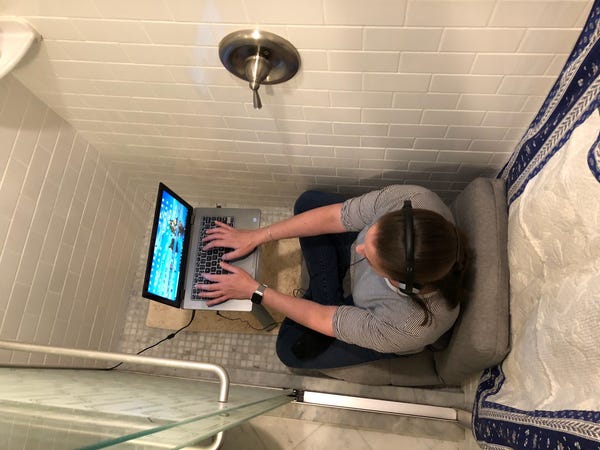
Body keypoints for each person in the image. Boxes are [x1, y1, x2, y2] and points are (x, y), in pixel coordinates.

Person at [196, 185, 469, 370]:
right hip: (354, 293)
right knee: (308, 203)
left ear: (400, 283)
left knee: (289, 352)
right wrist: (257, 236)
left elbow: (323, 318)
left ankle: (329, 300)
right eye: (371, 234)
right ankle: (328, 297)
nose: (359, 249)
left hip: (373, 320)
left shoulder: (408, 325)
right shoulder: (414, 198)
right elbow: (335, 217)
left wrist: (255, 291)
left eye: (371, 259)